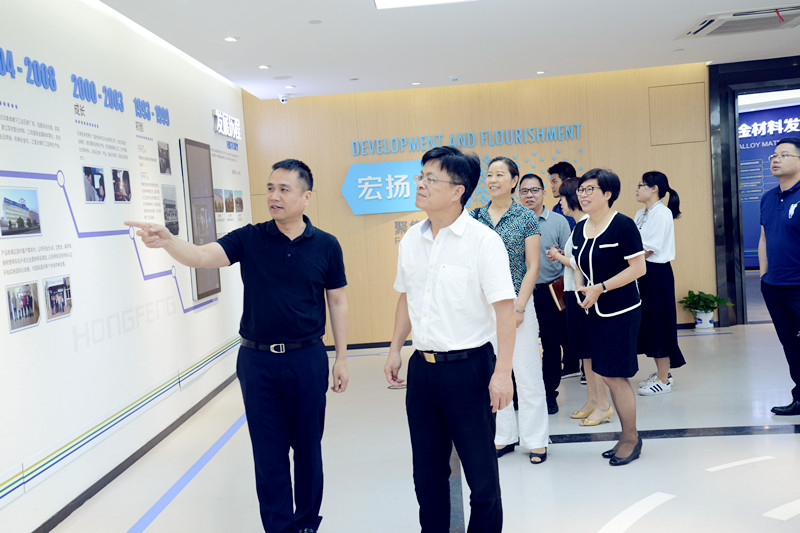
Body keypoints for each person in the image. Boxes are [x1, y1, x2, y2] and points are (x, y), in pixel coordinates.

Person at [126, 159, 349, 533]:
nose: (274, 196)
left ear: (306, 197)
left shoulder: (326, 245)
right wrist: (168, 241)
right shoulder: (250, 238)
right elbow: (201, 256)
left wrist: (341, 357)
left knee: (309, 448)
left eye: (284, 189)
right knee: (268, 453)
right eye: (270, 188)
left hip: (307, 357)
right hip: (257, 361)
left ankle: (308, 522)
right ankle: (280, 527)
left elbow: (338, 301)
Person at [385, 146, 516, 533]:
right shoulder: (411, 239)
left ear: (458, 190)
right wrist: (395, 349)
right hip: (423, 372)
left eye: (431, 178)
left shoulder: (483, 241)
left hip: (470, 370)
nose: (420, 184)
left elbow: (505, 311)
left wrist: (502, 373)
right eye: (420, 176)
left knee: (482, 478)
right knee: (427, 476)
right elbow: (406, 297)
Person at [471, 157, 548, 464]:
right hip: (485, 308)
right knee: (494, 373)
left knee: (527, 373)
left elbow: (533, 266)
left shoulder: (525, 216)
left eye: (499, 174)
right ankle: (503, 436)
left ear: (514, 180)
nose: (492, 179)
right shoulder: (475, 217)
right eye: (489, 175)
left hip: (518, 304)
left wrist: (519, 307)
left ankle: (536, 440)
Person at [571, 169, 646, 465]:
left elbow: (638, 268)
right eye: (581, 190)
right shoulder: (581, 227)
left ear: (607, 194)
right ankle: (625, 436)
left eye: (590, 189)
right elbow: (578, 263)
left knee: (616, 375)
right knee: (605, 373)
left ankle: (631, 438)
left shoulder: (623, 225)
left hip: (621, 311)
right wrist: (581, 287)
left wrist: (600, 287)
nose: (583, 195)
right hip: (593, 310)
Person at [547, 178, 612, 426]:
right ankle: (592, 401)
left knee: (593, 352)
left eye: (562, 199)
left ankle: (603, 404)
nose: (560, 204)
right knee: (585, 353)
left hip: (584, 293)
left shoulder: (586, 224)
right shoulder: (578, 226)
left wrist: (557, 256)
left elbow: (578, 263)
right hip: (576, 293)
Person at [518, 173, 573, 414]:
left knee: (551, 346)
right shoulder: (514, 221)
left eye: (534, 190)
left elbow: (569, 258)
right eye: (524, 191)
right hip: (521, 293)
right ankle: (521, 394)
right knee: (522, 346)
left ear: (543, 193)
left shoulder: (559, 222)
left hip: (549, 292)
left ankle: (549, 394)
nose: (529, 195)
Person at [634, 171, 686, 395]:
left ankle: (663, 379)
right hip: (643, 272)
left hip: (656, 274)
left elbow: (648, 248)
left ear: (654, 188)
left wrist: (625, 265)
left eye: (641, 185)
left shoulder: (662, 213)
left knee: (659, 325)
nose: (637, 189)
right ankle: (662, 373)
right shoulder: (641, 213)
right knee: (649, 325)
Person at [759, 137, 800, 416]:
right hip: (774, 286)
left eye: (784, 155)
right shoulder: (768, 197)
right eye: (774, 155)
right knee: (791, 345)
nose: (776, 159)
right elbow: (764, 238)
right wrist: (764, 276)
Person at [548, 162, 577, 230]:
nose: (552, 186)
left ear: (567, 181)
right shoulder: (556, 209)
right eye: (551, 183)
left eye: (554, 182)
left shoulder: (582, 203)